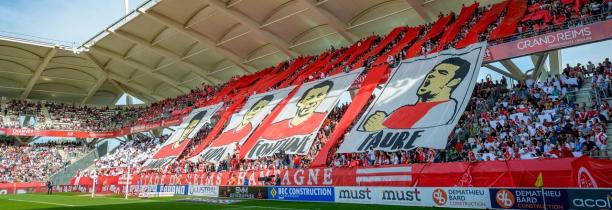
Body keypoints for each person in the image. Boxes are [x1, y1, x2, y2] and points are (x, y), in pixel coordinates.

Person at [363, 57, 471, 131]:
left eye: (442, 73)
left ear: (453, 81)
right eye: (433, 71)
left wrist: (379, 126)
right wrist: (378, 122)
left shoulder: (445, 108)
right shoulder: (404, 109)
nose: (431, 75)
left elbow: (417, 131)